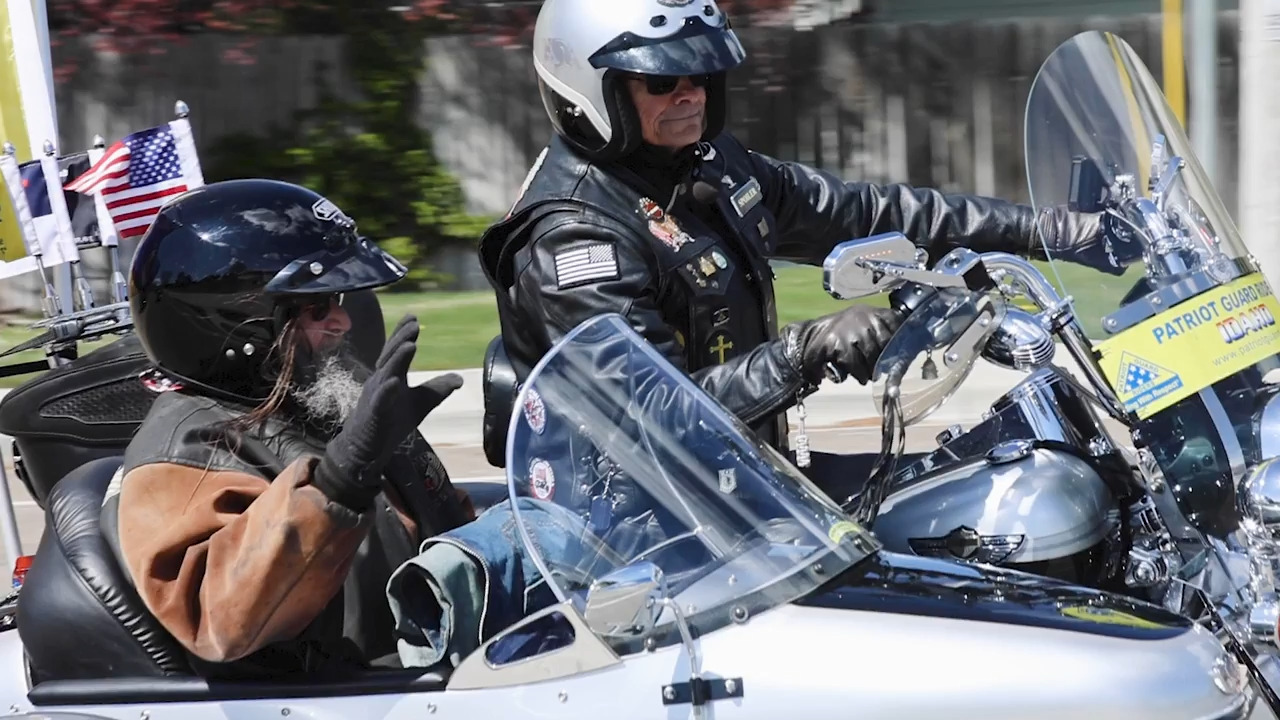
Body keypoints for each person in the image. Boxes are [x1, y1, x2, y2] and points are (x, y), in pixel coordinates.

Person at [476, 0, 1123, 497]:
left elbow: (869, 214)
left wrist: (1057, 233)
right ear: (592, 91)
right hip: (646, 545)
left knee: (1004, 487)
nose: (692, 93)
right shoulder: (574, 237)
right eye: (662, 81)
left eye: (700, 73)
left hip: (739, 490)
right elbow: (650, 417)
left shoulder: (706, 169)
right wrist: (802, 354)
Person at [101, 178, 474, 679]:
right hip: (349, 698)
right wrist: (340, 481)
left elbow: (454, 538)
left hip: (447, 668)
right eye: (317, 307)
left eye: (337, 299)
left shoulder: (320, 403)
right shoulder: (184, 453)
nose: (343, 321)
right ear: (240, 326)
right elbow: (221, 619)